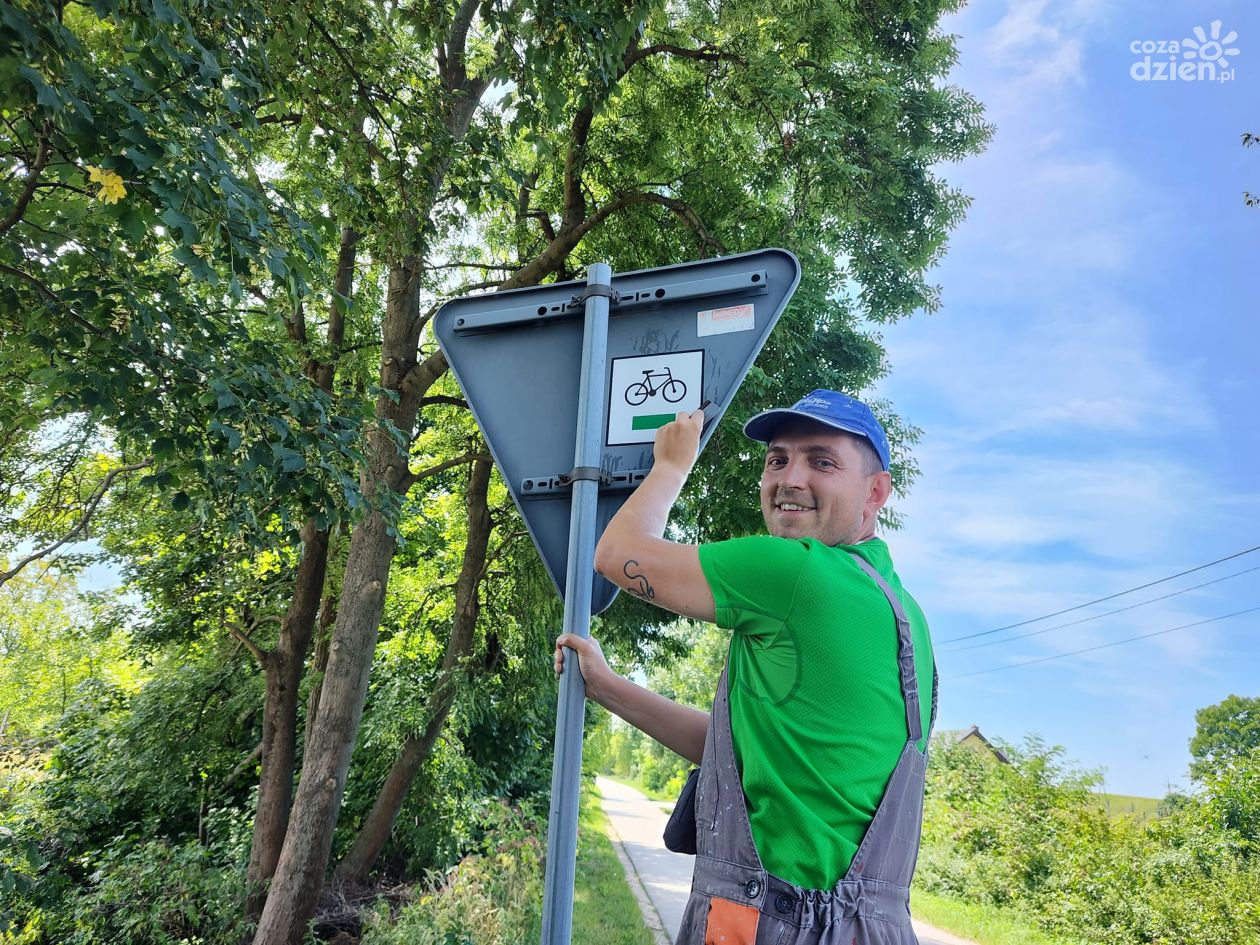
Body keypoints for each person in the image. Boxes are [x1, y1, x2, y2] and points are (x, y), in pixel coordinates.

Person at [554, 389, 936, 945]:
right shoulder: (908, 619)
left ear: (875, 491)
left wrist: (671, 464)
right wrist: (610, 688)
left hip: (770, 926)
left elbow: (616, 554)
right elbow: (744, 750)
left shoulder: (795, 572)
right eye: (777, 459)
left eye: (821, 461)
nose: (790, 478)